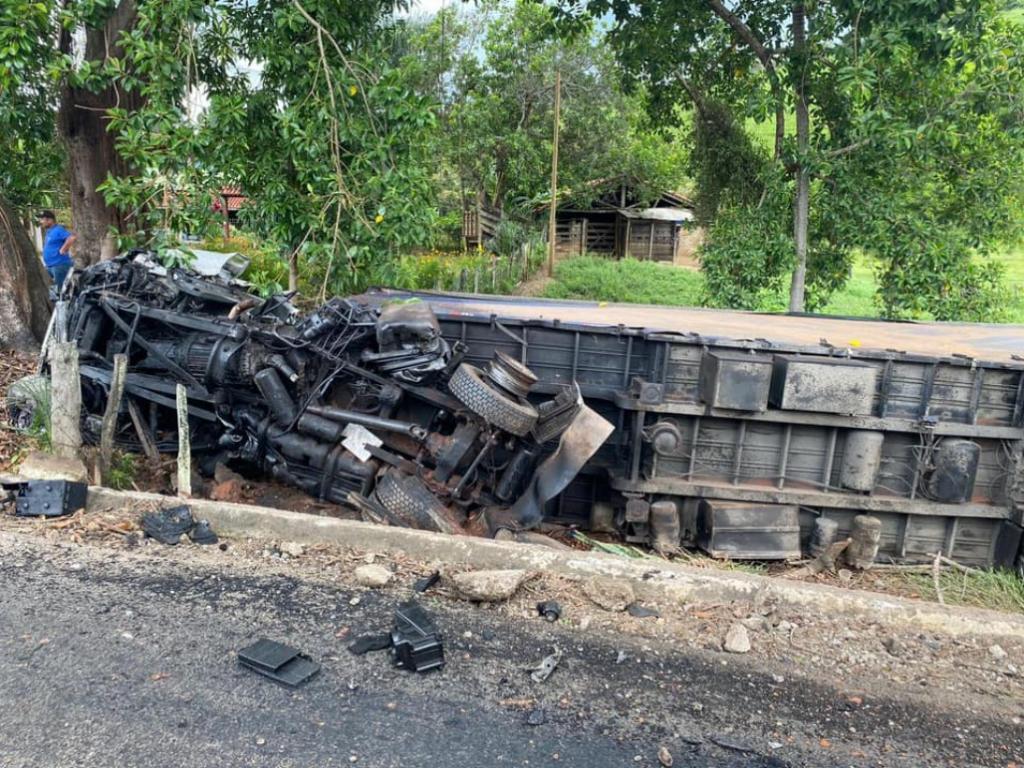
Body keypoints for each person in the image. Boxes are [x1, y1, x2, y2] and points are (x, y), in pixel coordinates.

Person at [37, 210, 76, 290]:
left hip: (59, 265)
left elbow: (71, 238)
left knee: (61, 290)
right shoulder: (49, 232)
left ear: (50, 220)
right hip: (50, 266)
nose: (41, 222)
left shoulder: (58, 230)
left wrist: (63, 249)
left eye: (42, 219)